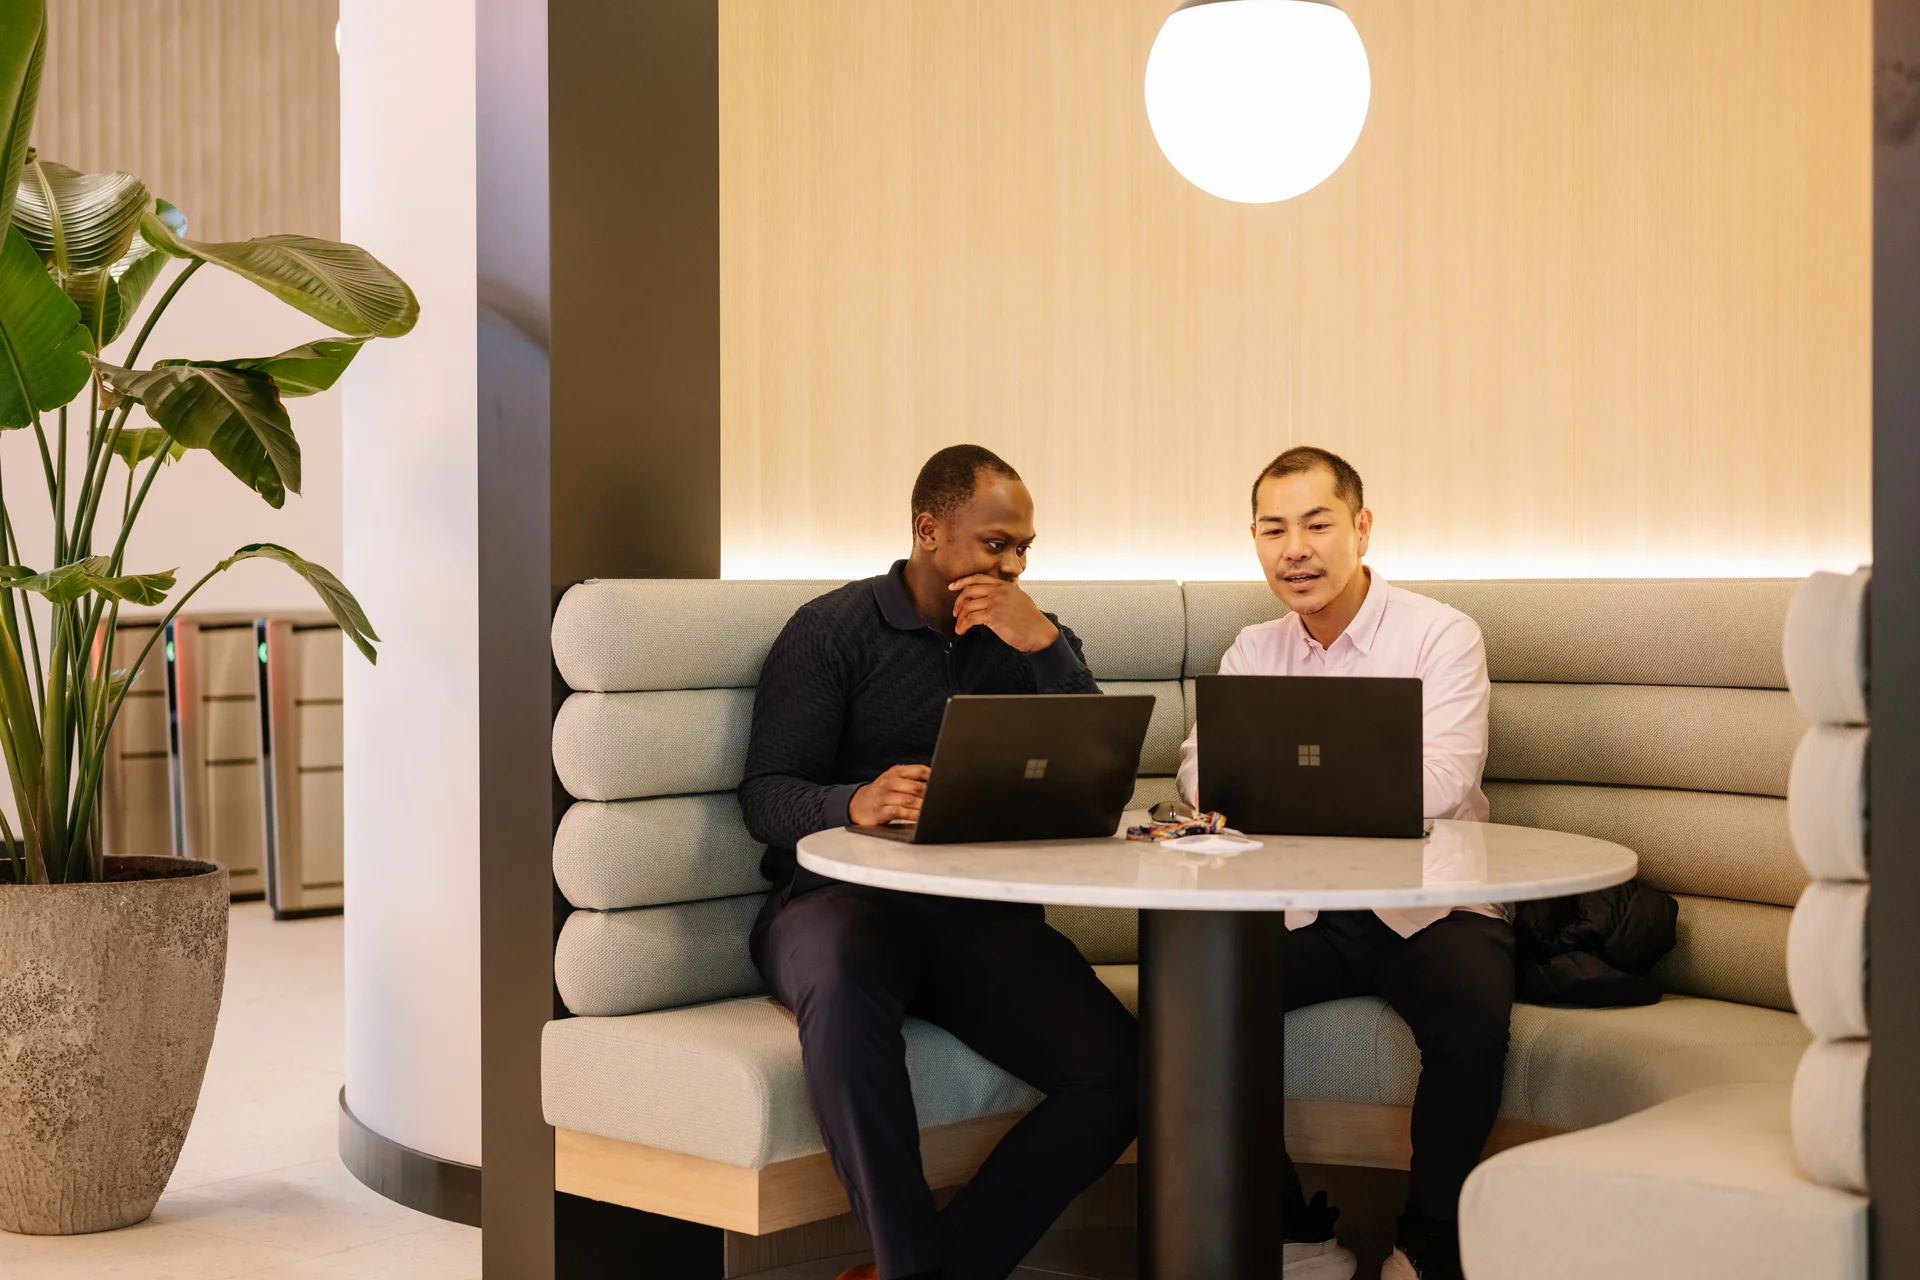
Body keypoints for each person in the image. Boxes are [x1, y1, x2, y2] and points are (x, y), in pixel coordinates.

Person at [739, 445, 1139, 1280]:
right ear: (929, 530)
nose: (1014, 564)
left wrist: (1044, 647)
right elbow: (765, 795)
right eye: (997, 544)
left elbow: (1103, 771)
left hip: (974, 921)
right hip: (834, 907)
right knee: (844, 986)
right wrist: (851, 801)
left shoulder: (1031, 639)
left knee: (1124, 1073)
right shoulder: (829, 633)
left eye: (1025, 548)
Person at [1176, 446, 1502, 1280]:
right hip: (1302, 908)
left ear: (1360, 527)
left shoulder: (1441, 634)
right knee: (1199, 1012)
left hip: (1433, 902)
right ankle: (1293, 1234)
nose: (1296, 549)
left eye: (1317, 524)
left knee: (1471, 1015)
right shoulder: (1255, 650)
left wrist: (1274, 794)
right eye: (1274, 529)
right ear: (1253, 539)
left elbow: (1445, 780)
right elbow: (1197, 773)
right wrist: (1265, 792)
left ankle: (1426, 1246)